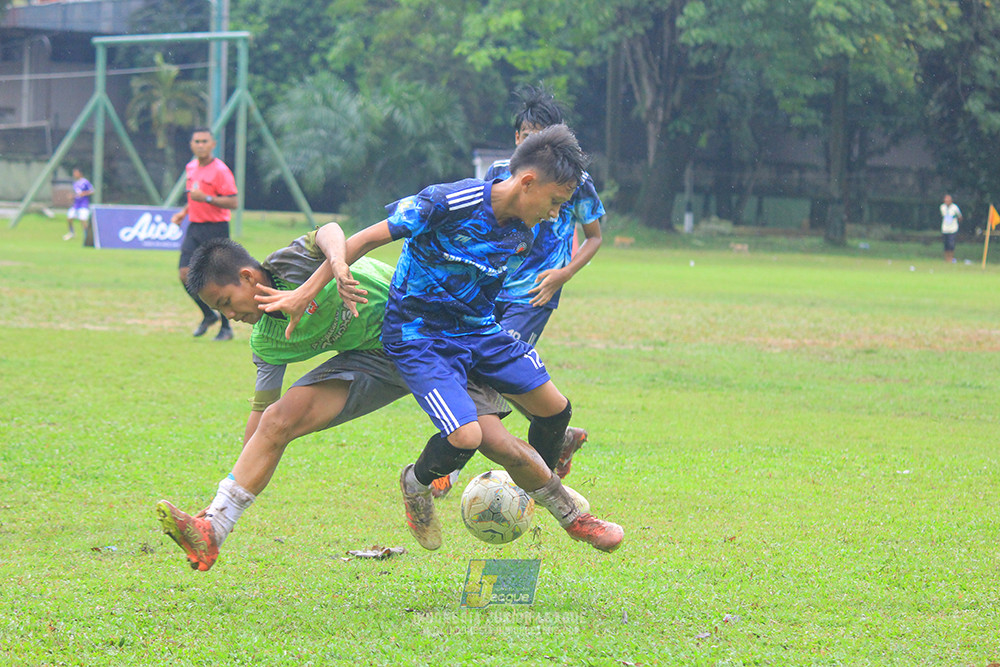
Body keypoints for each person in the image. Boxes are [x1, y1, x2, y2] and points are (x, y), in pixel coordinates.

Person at [155, 224, 602, 570]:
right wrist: (236, 473)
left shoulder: (291, 264)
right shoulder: (266, 341)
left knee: (499, 443)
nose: (231, 316)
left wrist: (333, 268)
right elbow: (260, 419)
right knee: (277, 420)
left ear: (250, 276)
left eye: (228, 302)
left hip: (426, 335)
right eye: (220, 313)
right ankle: (213, 526)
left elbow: (333, 233)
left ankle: (568, 511)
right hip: (370, 360)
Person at [341, 124, 624, 553]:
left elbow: (486, 293)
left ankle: (529, 493)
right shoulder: (447, 201)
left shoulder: (520, 233)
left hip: (477, 330)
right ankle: (417, 484)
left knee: (555, 409)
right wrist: (308, 291)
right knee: (467, 438)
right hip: (420, 337)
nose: (555, 215)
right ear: (528, 182)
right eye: (554, 202)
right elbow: (361, 240)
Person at [430, 87, 605, 498]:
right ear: (517, 139)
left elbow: (595, 237)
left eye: (541, 134)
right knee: (490, 368)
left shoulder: (575, 182)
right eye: (526, 134)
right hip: (492, 286)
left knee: (485, 368)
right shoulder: (497, 174)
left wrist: (562, 274)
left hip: (535, 292)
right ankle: (558, 435)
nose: (532, 142)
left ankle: (451, 466)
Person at [170, 127, 238, 341]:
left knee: (217, 278)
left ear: (212, 144)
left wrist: (208, 199)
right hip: (195, 227)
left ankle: (226, 327)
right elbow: (194, 197)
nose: (200, 145)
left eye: (204, 141)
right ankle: (208, 315)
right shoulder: (191, 167)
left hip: (216, 228)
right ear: (191, 145)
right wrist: (183, 213)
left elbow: (233, 202)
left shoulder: (220, 170)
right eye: (196, 141)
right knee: (184, 273)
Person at [63, 168, 94, 241]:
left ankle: (87, 236)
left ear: (80, 173)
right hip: (76, 205)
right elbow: (77, 194)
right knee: (69, 218)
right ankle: (71, 232)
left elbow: (92, 191)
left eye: (76, 173)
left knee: (83, 220)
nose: (74, 174)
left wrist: (84, 193)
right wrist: (72, 196)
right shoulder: (75, 183)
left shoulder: (85, 182)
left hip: (83, 204)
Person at [940, 194, 962, 263]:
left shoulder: (955, 207)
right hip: (945, 229)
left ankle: (951, 258)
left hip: (953, 229)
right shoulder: (942, 207)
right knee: (946, 244)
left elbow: (960, 216)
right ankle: (946, 258)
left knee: (951, 244)